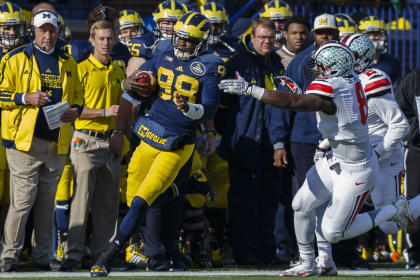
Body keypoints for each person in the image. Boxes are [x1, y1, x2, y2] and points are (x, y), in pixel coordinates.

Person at [218, 40, 414, 276]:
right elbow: (321, 107)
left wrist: (252, 90)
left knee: (333, 232)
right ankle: (309, 262)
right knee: (300, 206)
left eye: (320, 65)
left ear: (332, 68)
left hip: (357, 168)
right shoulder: (347, 80)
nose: (315, 69)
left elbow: (295, 103)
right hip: (335, 158)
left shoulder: (337, 86)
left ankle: (393, 209)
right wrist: (302, 96)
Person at [90, 12, 224, 277]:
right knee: (132, 197)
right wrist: (129, 82)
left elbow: (209, 108)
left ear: (201, 41)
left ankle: (106, 257)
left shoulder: (210, 64)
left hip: (178, 143)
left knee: (142, 201)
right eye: (180, 38)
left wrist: (190, 108)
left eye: (188, 40)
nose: (182, 43)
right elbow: (132, 84)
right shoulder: (162, 51)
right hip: (149, 135)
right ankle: (179, 188)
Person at [0, 10, 83, 272]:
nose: (48, 35)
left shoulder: (68, 61)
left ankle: (43, 256)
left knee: (47, 203)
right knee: (23, 202)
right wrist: (26, 98)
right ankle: (9, 256)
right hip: (25, 141)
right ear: (33, 32)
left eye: (53, 30)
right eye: (43, 30)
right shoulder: (15, 57)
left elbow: (78, 97)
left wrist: (76, 112)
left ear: (59, 32)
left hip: (56, 140)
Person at [217, 17, 284, 266]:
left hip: (270, 143)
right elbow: (223, 108)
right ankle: (244, 253)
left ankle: (266, 252)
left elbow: (278, 106)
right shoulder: (238, 63)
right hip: (244, 144)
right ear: (252, 37)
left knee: (268, 201)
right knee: (243, 204)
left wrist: (278, 141)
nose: (268, 42)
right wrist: (232, 138)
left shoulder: (275, 62)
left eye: (271, 38)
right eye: (263, 37)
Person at [61, 20, 124, 270]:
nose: (106, 43)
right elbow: (72, 109)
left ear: (115, 39)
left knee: (108, 206)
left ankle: (102, 255)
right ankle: (73, 255)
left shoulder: (119, 70)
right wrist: (105, 111)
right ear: (91, 40)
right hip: (85, 140)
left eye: (109, 38)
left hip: (111, 141)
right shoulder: (80, 69)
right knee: (80, 202)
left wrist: (120, 133)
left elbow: (124, 109)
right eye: (101, 38)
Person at [0, 1, 28, 235]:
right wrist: (21, 97)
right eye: (5, 28)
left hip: (16, 132)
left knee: (15, 194)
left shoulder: (26, 53)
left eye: (15, 27)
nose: (10, 32)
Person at [395, 68, 420, 269]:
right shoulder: (414, 78)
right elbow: (399, 110)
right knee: (412, 203)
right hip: (417, 150)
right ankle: (415, 254)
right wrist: (414, 133)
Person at [125, 0, 185, 76]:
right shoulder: (149, 40)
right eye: (166, 23)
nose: (171, 27)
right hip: (157, 74)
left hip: (182, 72)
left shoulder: (187, 39)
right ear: (157, 22)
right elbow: (136, 44)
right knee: (135, 61)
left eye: (175, 23)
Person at [359, 16, 400, 83]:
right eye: (368, 35)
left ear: (384, 36)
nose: (372, 38)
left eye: (377, 34)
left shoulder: (391, 63)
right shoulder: (355, 63)